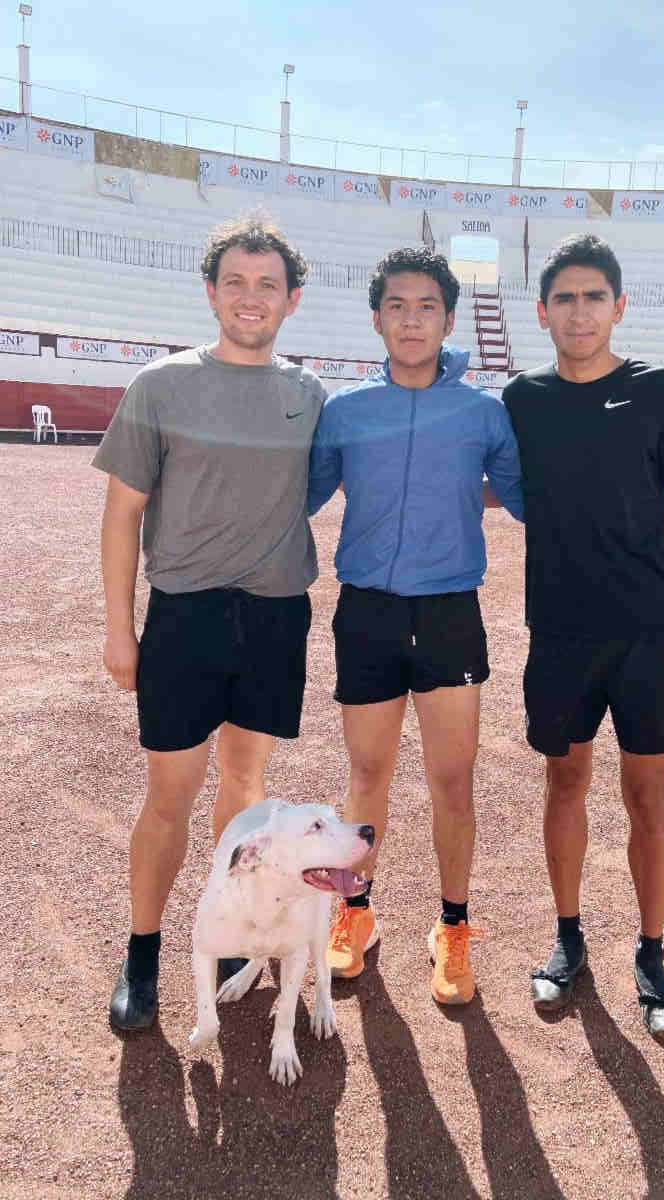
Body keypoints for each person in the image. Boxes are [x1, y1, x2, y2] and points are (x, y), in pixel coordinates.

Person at [93, 215, 325, 1031]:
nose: (250, 297)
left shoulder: (309, 396)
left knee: (246, 785)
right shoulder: (161, 386)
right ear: (210, 292)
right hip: (185, 617)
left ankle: (228, 928)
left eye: (267, 284)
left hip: (273, 617)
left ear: (292, 300)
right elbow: (123, 514)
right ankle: (143, 952)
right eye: (235, 282)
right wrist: (120, 628)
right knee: (170, 794)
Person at [500, 233, 664, 1038]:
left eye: (594, 296)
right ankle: (568, 938)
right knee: (564, 783)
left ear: (618, 306)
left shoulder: (660, 392)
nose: (580, 311)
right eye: (564, 298)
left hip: (647, 636)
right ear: (542, 312)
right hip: (559, 635)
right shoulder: (521, 399)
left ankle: (652, 956)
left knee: (646, 793)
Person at [307, 247, 524, 1005]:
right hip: (367, 611)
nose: (410, 320)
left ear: (448, 319)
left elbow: (530, 497)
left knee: (452, 779)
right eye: (396, 306)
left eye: (426, 306)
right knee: (367, 775)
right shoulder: (344, 411)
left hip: (448, 614)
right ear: (376, 319)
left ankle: (452, 926)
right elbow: (297, 497)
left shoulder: (483, 412)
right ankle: (356, 913)